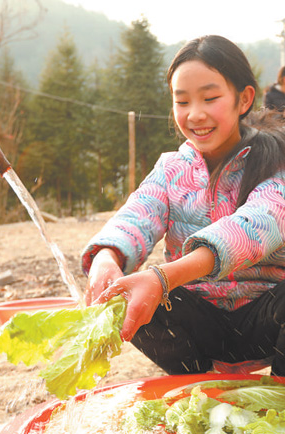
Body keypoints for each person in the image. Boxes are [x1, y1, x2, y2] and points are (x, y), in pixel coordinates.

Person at [81, 35, 285, 377]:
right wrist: (106, 257)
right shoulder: (171, 169)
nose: (195, 114)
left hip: (266, 323)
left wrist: (162, 277)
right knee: (126, 290)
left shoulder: (276, 164)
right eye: (182, 101)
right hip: (196, 327)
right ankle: (196, 385)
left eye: (210, 98)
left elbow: (253, 227)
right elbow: (136, 217)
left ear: (244, 98)